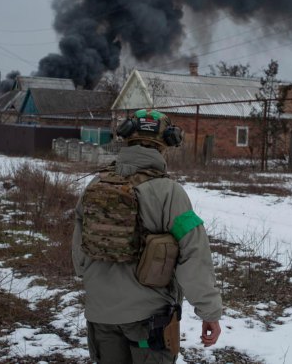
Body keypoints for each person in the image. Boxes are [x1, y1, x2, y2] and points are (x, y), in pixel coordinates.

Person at [72, 109, 222, 364]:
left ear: (127, 138)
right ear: (167, 142)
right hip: (149, 322)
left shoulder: (95, 185)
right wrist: (209, 312)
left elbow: (79, 256)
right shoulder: (170, 193)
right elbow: (194, 254)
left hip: (100, 317)